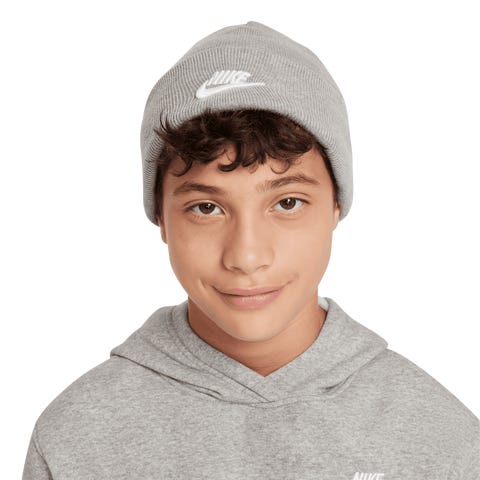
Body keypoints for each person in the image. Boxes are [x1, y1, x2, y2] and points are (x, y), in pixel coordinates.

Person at [22, 20, 479, 480]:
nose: (246, 256)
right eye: (206, 208)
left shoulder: (444, 442)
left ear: (336, 206)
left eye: (287, 203)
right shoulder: (76, 439)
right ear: (161, 217)